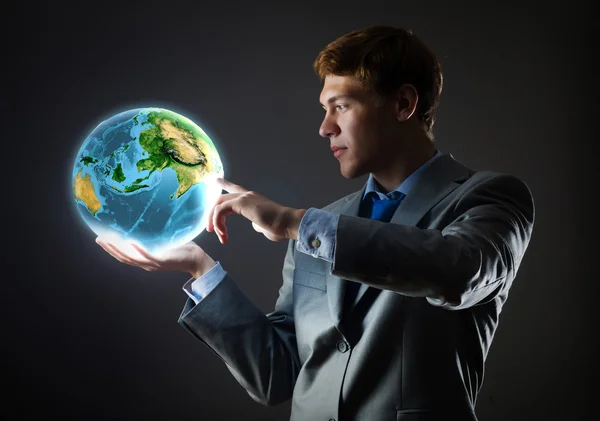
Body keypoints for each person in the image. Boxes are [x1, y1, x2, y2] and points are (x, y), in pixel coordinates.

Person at [97, 25, 535, 421]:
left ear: (403, 103)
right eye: (324, 108)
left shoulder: (488, 196)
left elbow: (458, 271)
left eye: (340, 106)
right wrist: (200, 270)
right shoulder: (324, 224)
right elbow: (277, 375)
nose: (325, 128)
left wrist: (294, 223)